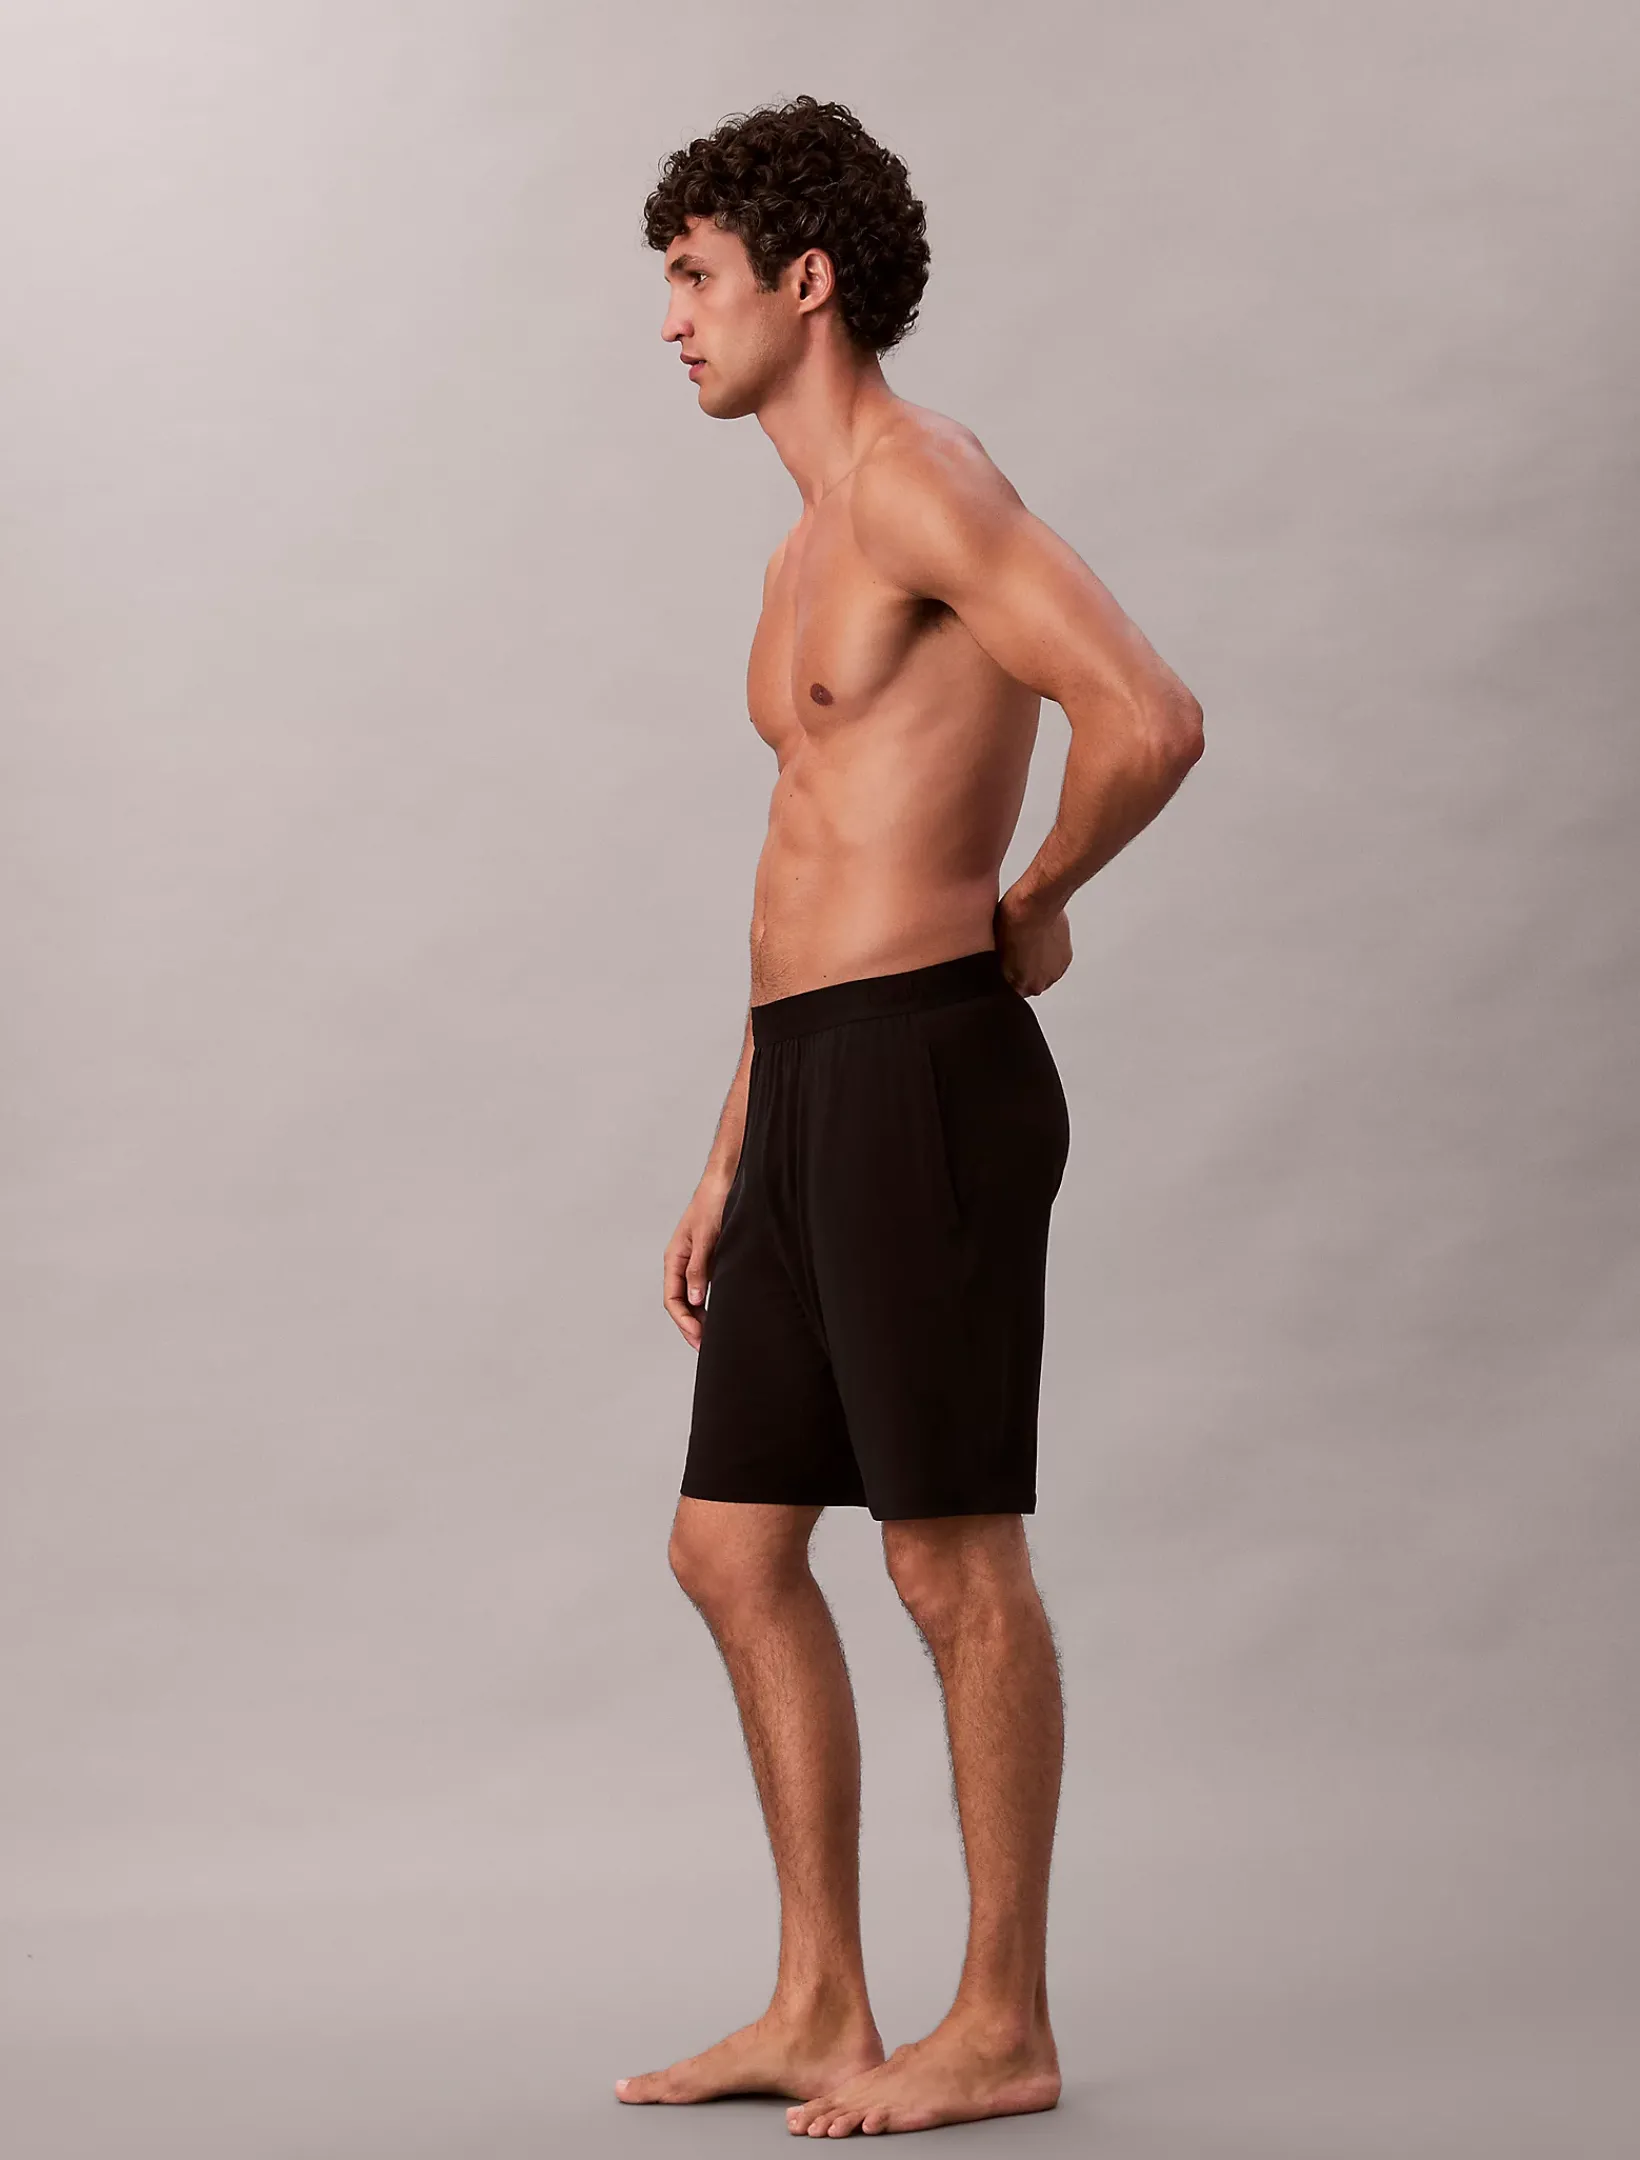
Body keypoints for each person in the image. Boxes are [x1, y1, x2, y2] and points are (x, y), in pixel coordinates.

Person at [615, 95, 1204, 2140]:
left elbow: (1147, 715)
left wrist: (1033, 901)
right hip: (808, 1079)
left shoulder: (922, 483)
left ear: (806, 280)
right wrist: (730, 1147)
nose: (670, 321)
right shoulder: (798, 548)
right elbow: (803, 861)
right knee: (727, 1548)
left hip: (925, 1071)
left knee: (949, 1566)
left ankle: (1002, 2019)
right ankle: (818, 1997)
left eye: (694, 277)